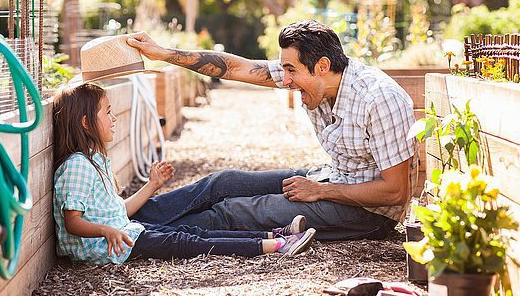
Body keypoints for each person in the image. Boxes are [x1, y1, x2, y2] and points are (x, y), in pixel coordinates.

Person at [126, 20, 418, 241]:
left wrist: (322, 191)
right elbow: (234, 68)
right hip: (333, 178)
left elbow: (395, 192)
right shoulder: (314, 76)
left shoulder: (378, 99)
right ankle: (121, 216)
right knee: (222, 183)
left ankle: (134, 236)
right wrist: (164, 54)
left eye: (291, 71)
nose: (285, 80)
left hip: (368, 213)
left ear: (322, 66)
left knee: (235, 212)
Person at [51, 83, 317, 265]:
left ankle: (277, 231)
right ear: (86, 123)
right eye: (107, 112)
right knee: (188, 239)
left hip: (122, 231)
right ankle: (276, 243)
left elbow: (118, 211)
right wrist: (105, 230)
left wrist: (151, 185)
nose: (114, 118)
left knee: (198, 220)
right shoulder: (77, 166)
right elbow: (74, 222)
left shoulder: (95, 161)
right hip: (111, 243)